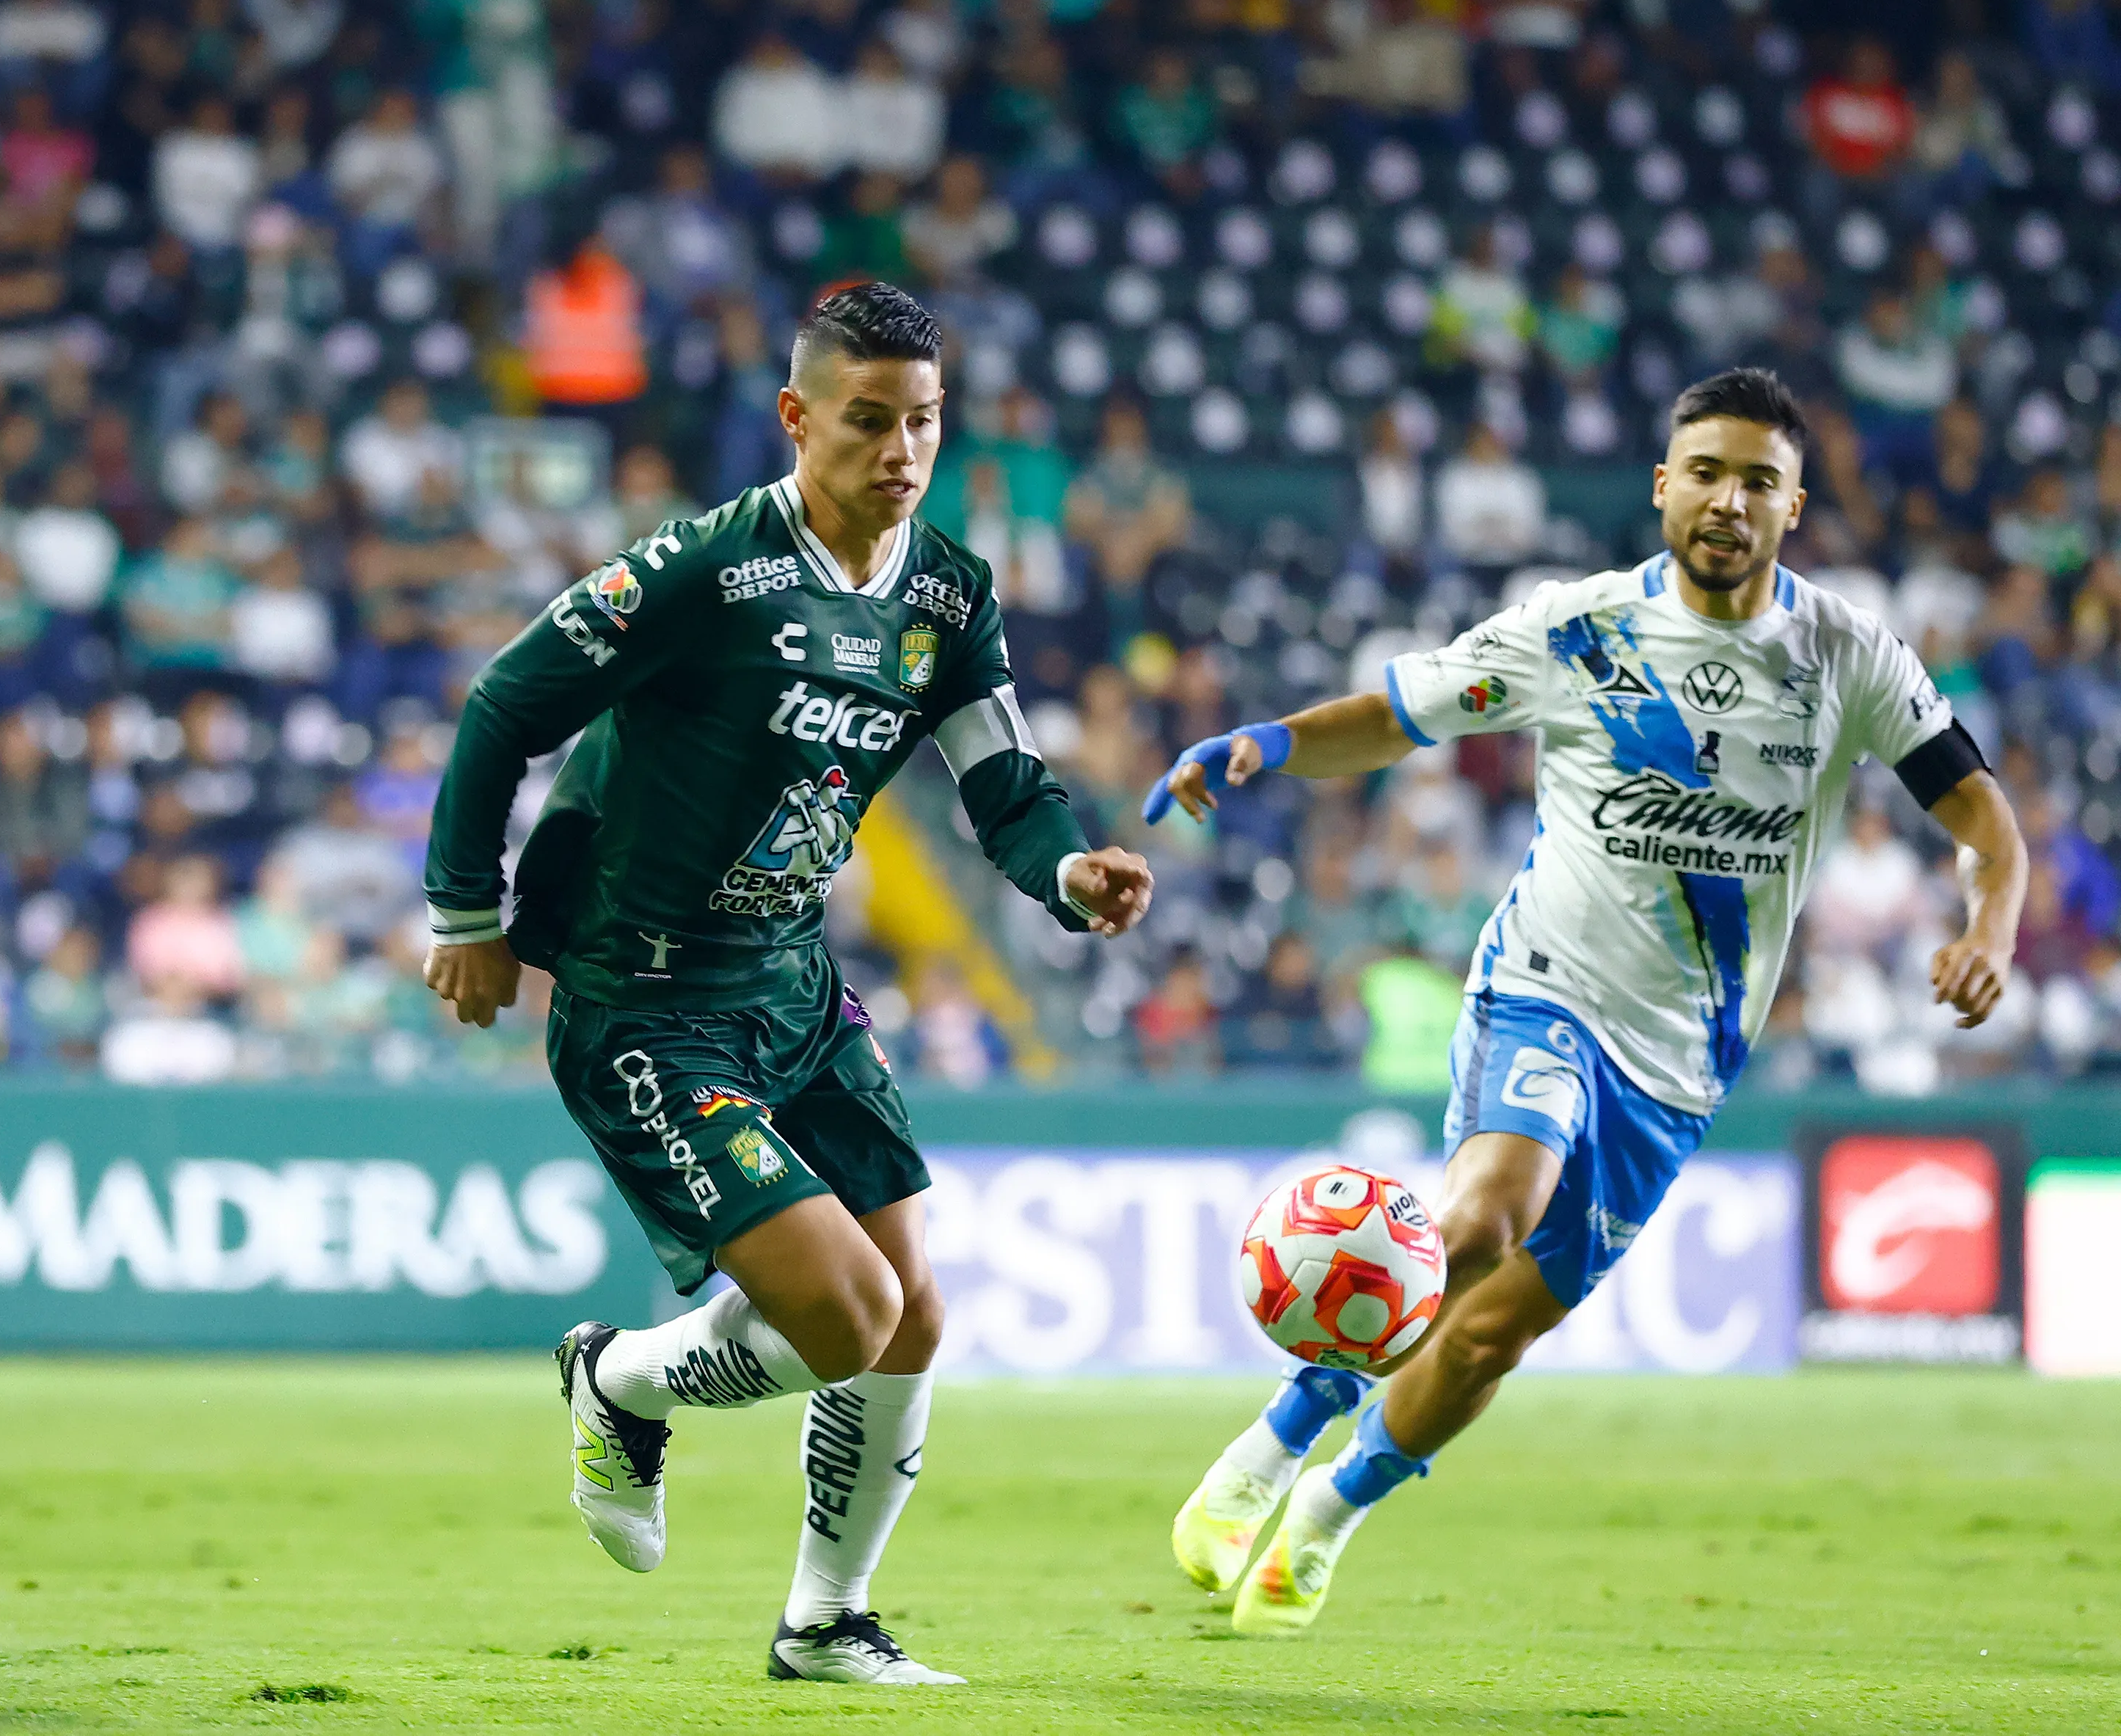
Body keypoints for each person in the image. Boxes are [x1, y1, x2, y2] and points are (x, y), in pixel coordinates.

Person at [1143, 369, 2026, 1636]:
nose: (1729, 500)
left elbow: (1984, 819)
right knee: (1486, 1219)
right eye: (1707, 472)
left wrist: (1987, 923)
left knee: (1491, 1334)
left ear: (1795, 507)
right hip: (1546, 986)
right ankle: (1279, 1435)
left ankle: (1333, 1511)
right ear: (1664, 485)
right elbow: (1399, 716)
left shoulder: (1849, 655)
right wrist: (1271, 744)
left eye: (1759, 481)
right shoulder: (1579, 630)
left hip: (1683, 1063)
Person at [421, 283, 1151, 1685]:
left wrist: (1067, 873)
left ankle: (827, 1621)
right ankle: (618, 1380)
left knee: (915, 1309)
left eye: (924, 423)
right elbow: (506, 699)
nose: (902, 451)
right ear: (798, 417)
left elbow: (1003, 782)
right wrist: (468, 908)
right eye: (869, 421)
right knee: (845, 1317)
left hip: (792, 985)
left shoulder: (947, 591)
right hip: (647, 1000)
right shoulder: (704, 573)